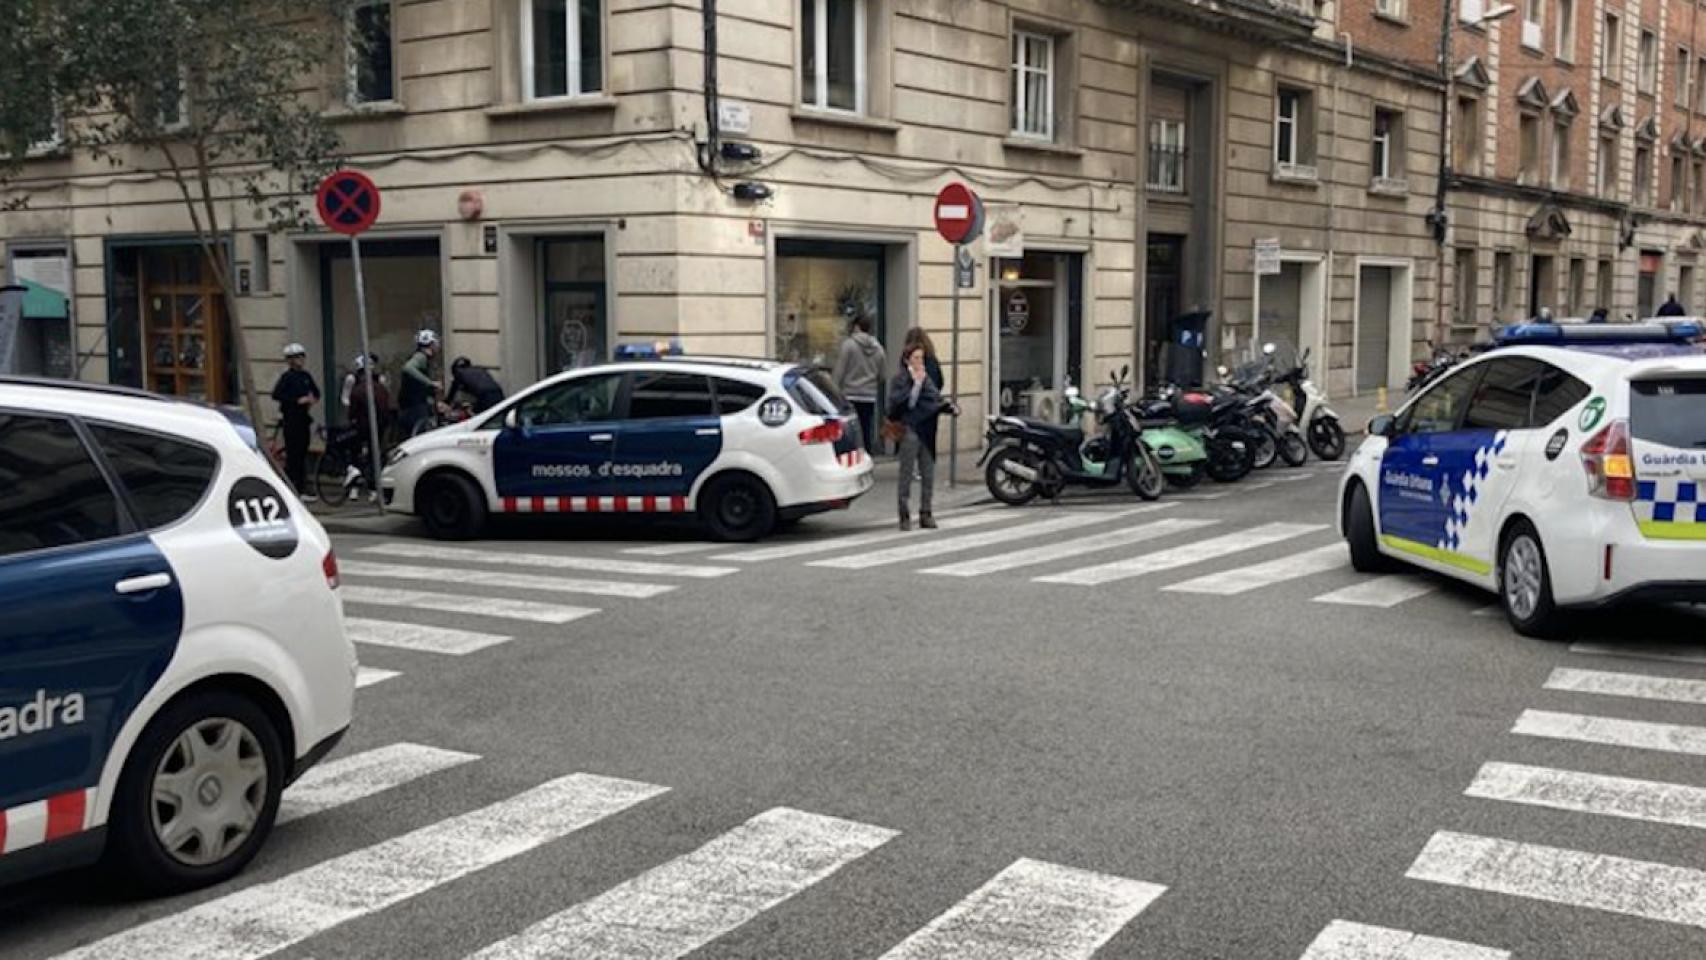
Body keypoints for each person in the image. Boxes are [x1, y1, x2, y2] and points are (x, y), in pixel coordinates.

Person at [887, 343, 956, 531]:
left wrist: (948, 407)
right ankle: (904, 514)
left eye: (921, 358)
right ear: (907, 360)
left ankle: (926, 512)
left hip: (926, 430)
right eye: (916, 358)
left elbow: (934, 398)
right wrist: (915, 385)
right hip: (909, 429)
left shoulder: (926, 379)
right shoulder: (900, 379)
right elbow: (902, 404)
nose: (919, 362)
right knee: (906, 473)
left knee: (928, 472)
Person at [271, 343, 320, 501]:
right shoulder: (287, 377)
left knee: (302, 452)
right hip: (291, 419)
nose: (300, 360)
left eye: (301, 357)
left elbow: (316, 392)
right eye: (296, 358)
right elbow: (277, 394)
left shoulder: (305, 376)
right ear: (290, 360)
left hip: (303, 419)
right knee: (294, 454)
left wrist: (312, 398)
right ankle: (294, 487)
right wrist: (296, 400)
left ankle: (301, 486)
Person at [832, 314, 886, 455]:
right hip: (869, 396)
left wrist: (833, 390)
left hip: (850, 394)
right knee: (866, 428)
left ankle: (853, 455)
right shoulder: (879, 348)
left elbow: (840, 370)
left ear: (857, 327)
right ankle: (867, 454)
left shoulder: (848, 345)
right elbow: (882, 375)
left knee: (851, 430)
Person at [901, 327, 946, 457]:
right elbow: (940, 381)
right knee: (928, 445)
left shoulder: (908, 360)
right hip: (931, 409)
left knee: (910, 445)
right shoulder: (932, 359)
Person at [397, 329, 442, 437]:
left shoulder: (425, 359)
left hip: (413, 406)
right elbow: (408, 368)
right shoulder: (420, 357)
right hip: (415, 408)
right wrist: (430, 383)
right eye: (436, 343)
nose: (438, 346)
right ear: (431, 344)